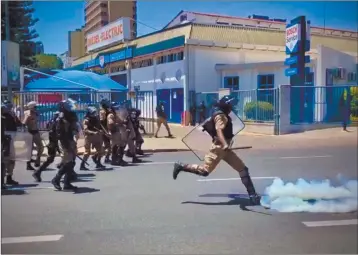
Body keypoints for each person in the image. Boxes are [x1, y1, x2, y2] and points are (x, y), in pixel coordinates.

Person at [172, 95, 260, 205]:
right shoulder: (220, 116)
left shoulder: (222, 114)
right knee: (204, 171)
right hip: (219, 148)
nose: (232, 107)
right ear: (225, 106)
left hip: (225, 149)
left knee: (243, 169)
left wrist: (226, 145)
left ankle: (252, 196)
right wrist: (224, 144)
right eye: (230, 105)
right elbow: (219, 130)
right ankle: (181, 166)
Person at [51, 100, 79, 191]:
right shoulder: (61, 117)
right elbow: (60, 133)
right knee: (69, 162)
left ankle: (66, 183)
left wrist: (75, 135)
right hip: (64, 141)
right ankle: (56, 179)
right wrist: (66, 145)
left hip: (70, 140)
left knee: (71, 162)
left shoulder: (70, 116)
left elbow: (74, 128)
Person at [32, 111, 60, 182]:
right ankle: (37, 172)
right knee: (51, 158)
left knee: (53, 158)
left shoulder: (51, 122)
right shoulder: (55, 123)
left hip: (54, 143)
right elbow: (54, 133)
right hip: (54, 143)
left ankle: (69, 172)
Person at [2, 100, 22, 185]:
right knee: (5, 160)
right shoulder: (3, 118)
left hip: (11, 138)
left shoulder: (11, 115)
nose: (8, 108)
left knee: (11, 160)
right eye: (7, 106)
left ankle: (9, 177)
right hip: (5, 141)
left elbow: (18, 124)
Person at [22, 101, 44, 170]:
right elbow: (23, 124)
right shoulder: (27, 114)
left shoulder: (36, 113)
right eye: (35, 107)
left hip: (36, 132)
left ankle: (38, 159)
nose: (36, 108)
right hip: (29, 133)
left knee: (41, 147)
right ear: (31, 107)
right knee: (29, 149)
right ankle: (28, 164)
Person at [99, 99, 112, 163]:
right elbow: (101, 123)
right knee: (107, 145)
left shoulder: (108, 111)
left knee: (109, 145)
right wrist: (106, 131)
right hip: (104, 131)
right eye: (107, 103)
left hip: (107, 129)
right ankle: (96, 155)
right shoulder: (102, 112)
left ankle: (106, 157)